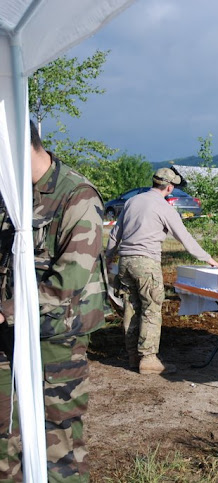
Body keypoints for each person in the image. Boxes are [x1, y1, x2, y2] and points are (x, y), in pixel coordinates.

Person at [0, 120, 107, 480]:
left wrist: (5, 312)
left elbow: (67, 284)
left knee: (57, 446)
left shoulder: (77, 195)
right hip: (7, 337)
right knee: (5, 436)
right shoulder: (9, 193)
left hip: (55, 340)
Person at [106, 168, 218, 375]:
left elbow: (115, 234)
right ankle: (148, 359)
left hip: (125, 262)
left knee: (131, 308)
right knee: (151, 308)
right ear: (169, 187)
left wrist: (107, 259)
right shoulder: (164, 207)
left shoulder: (133, 201)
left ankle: (133, 356)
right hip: (146, 263)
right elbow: (184, 238)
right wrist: (209, 259)